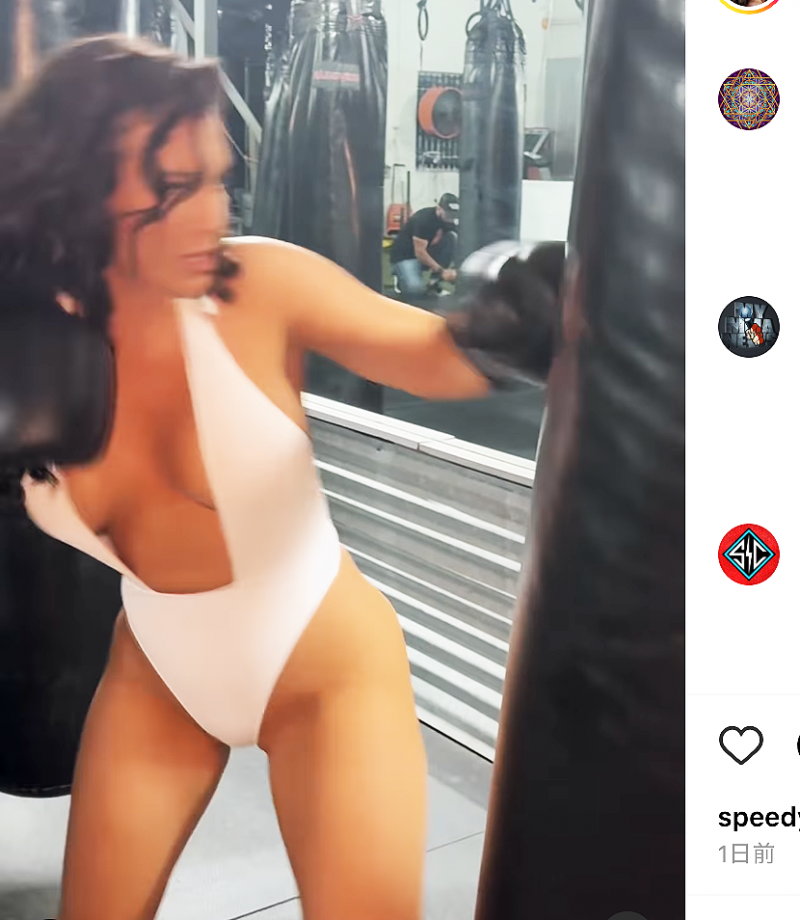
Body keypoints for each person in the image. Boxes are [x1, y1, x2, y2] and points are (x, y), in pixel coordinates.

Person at [0, 35, 562, 920]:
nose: (212, 215)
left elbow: (437, 358)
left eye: (219, 180)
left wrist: (528, 315)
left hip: (323, 669)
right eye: (175, 187)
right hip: (158, 672)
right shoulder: (24, 348)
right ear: (73, 187)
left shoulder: (257, 287)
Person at [390, 193, 460, 300]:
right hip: (405, 256)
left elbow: (454, 246)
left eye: (453, 215)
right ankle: (399, 277)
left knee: (452, 237)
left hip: (426, 252)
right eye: (448, 215)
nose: (451, 218)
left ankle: (434, 282)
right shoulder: (424, 219)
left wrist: (455, 270)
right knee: (415, 290)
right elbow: (420, 253)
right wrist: (442, 271)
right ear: (439, 209)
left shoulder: (448, 221)